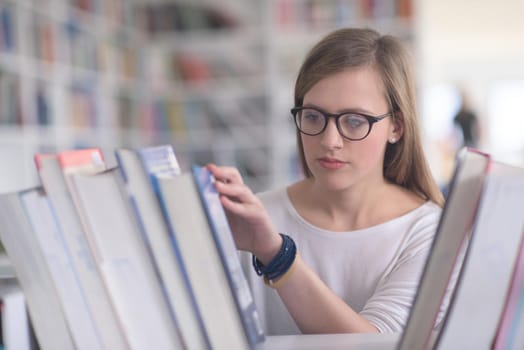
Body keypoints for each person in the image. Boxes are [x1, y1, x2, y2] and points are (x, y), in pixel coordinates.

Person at [207, 27, 444, 335]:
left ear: (396, 127)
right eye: (314, 116)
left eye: (355, 121)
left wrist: (277, 257)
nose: (330, 140)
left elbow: (377, 344)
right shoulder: (251, 220)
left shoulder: (430, 232)